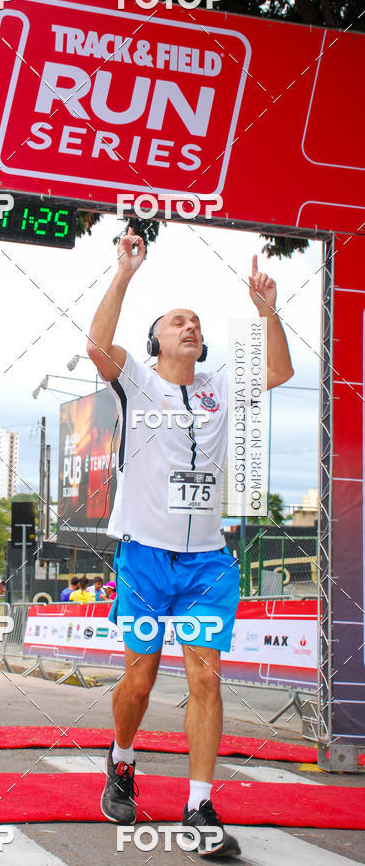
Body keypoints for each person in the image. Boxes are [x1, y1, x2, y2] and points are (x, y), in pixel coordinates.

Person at [87, 227, 294, 858]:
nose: (191, 327)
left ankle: (200, 805)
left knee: (205, 678)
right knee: (142, 682)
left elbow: (280, 370)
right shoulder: (139, 384)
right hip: (146, 557)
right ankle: (122, 760)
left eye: (197, 321)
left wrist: (268, 313)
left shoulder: (220, 387)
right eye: (179, 321)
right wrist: (123, 273)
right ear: (156, 340)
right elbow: (97, 345)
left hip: (208, 561)